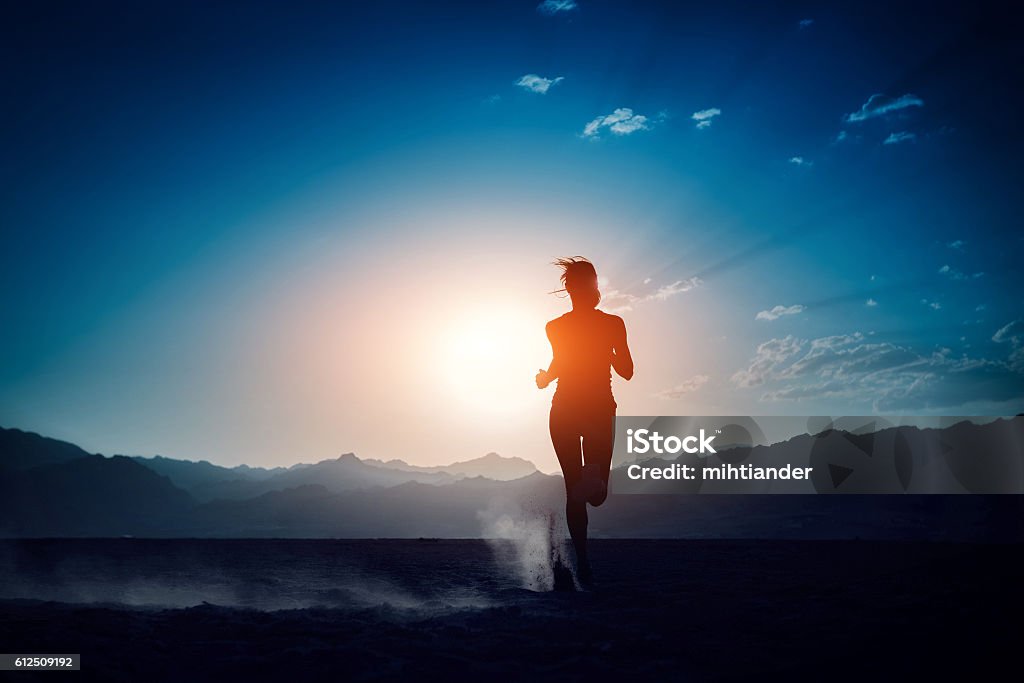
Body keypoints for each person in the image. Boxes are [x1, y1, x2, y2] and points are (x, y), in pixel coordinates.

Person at [536, 257, 633, 587]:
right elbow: (627, 372)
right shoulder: (610, 324)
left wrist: (545, 378)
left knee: (583, 493)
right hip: (590, 410)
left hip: (567, 409)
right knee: (589, 493)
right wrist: (548, 376)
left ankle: (570, 557)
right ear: (587, 288)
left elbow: (559, 366)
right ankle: (582, 564)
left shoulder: (559, 327)